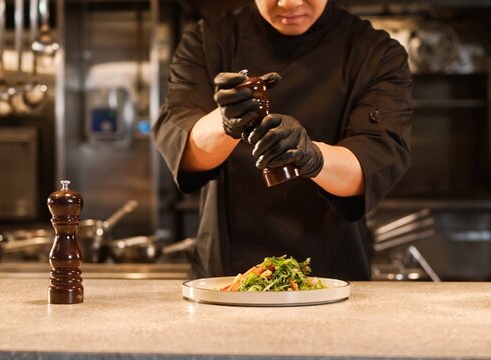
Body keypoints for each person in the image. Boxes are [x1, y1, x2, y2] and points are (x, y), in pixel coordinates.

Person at [152, 0, 412, 280]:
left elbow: (374, 159)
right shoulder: (208, 41)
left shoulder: (375, 52)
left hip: (332, 278)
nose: (289, 2)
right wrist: (226, 122)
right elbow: (185, 149)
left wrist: (312, 157)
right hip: (226, 278)